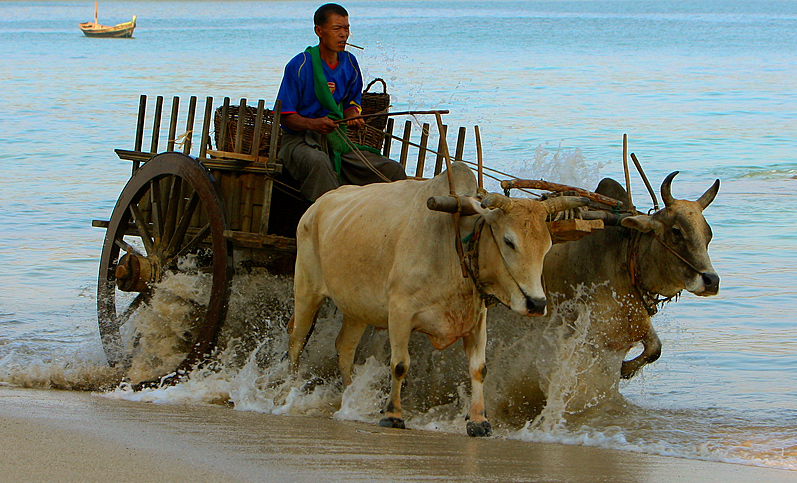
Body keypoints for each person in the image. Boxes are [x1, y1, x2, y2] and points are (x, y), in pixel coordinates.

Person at [276, 3, 407, 202]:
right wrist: (314, 124)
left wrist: (353, 116)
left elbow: (351, 103)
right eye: (337, 29)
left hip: (337, 141)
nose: (344, 35)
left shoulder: (350, 63)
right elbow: (285, 116)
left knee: (392, 170)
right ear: (319, 31)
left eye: (346, 28)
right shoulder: (300, 65)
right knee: (319, 162)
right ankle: (329, 219)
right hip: (299, 142)